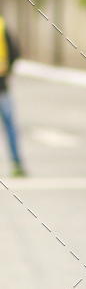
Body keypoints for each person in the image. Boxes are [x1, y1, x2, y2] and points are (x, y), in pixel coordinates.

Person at [0, 14, 26, 176]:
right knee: (10, 126)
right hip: (2, 86)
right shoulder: (2, 25)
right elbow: (15, 53)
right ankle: (17, 163)